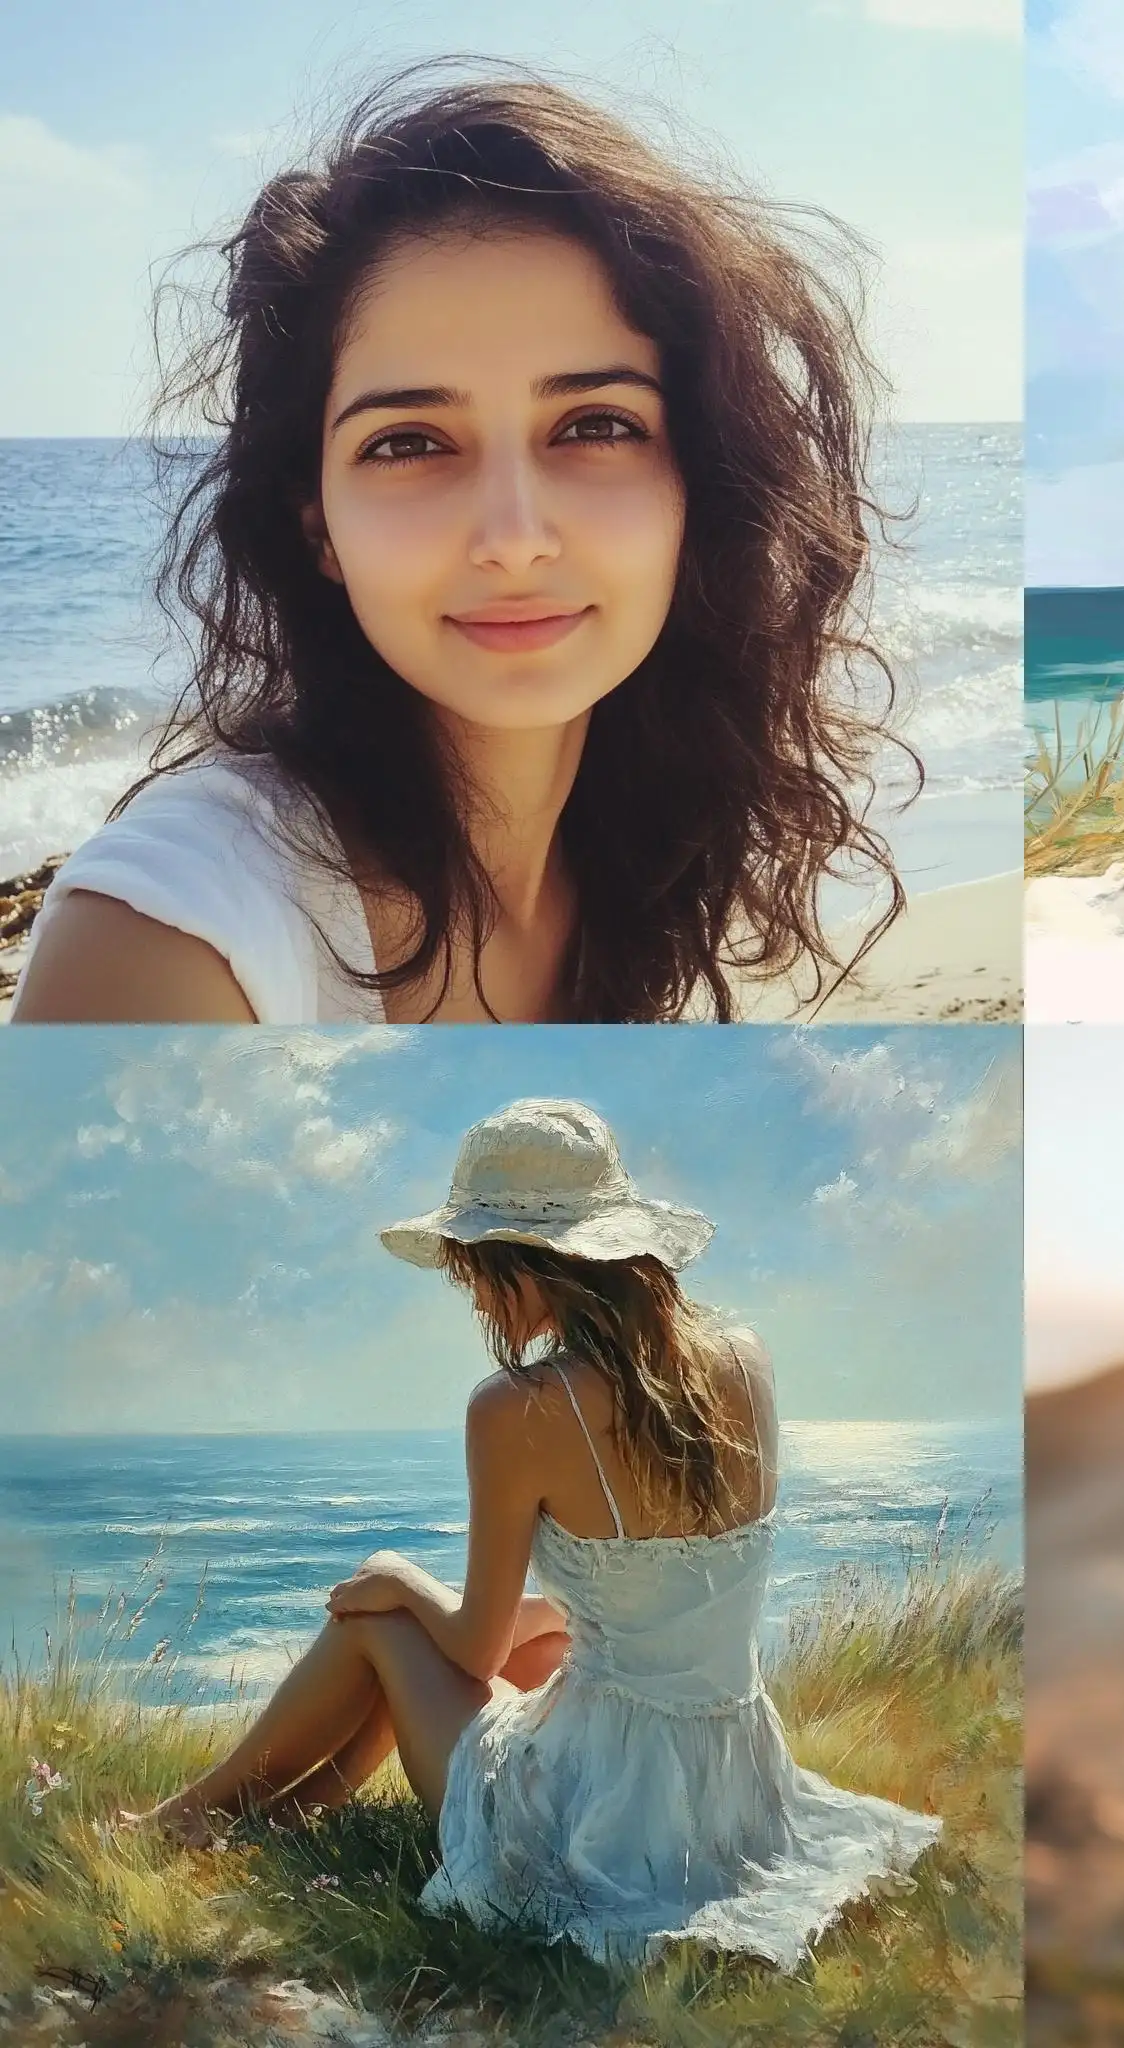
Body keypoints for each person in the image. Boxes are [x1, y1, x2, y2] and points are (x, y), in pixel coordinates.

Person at [17, 65, 913, 1025]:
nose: (515, 540)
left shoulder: (637, 847)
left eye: (596, 425)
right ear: (317, 523)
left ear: (700, 478)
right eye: (408, 443)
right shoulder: (171, 947)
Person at [127, 1098, 942, 1969]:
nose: (467, 1288)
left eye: (473, 1267)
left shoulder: (518, 1407)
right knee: (536, 1624)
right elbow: (663, 1592)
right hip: (730, 1781)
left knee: (380, 1609)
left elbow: (473, 1652)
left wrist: (403, 1578)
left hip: (596, 1813)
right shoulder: (745, 1357)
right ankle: (296, 1808)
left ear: (527, 1268)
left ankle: (189, 1819)